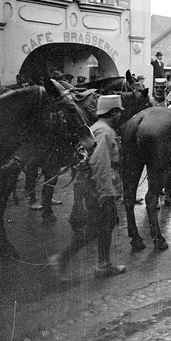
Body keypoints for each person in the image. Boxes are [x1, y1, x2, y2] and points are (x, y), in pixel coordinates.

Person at [50, 95, 127, 280]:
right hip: (98, 186)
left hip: (94, 184)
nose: (120, 116)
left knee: (106, 223)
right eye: (118, 112)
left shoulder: (98, 128)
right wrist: (106, 191)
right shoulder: (104, 132)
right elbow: (100, 162)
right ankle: (62, 258)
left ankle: (104, 265)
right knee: (97, 226)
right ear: (113, 112)